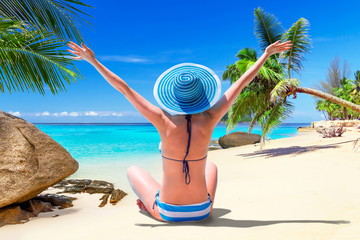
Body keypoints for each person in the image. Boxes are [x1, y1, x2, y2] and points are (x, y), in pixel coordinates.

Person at [67, 40, 292, 222]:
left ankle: (150, 207)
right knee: (211, 165)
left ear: (172, 97)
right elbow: (241, 83)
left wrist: (93, 61)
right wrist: (266, 55)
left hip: (168, 213)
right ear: (202, 96)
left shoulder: (161, 119)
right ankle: (177, 204)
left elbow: (124, 89)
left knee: (134, 170)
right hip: (204, 211)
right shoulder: (212, 117)